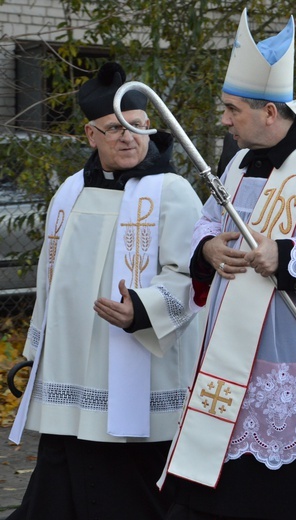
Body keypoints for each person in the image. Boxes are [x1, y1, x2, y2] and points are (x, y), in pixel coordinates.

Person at [161, 10, 296, 520]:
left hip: (295, 362)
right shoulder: (238, 162)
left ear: (268, 112)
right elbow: (206, 221)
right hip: (228, 362)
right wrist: (209, 248)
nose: (224, 119)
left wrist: (284, 255)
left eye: (232, 109)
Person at [7, 62, 203, 520]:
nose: (128, 137)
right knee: (64, 470)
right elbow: (48, 279)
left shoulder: (172, 191)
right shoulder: (70, 192)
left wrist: (143, 310)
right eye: (115, 128)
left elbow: (191, 273)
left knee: (128, 479)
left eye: (137, 126)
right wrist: (37, 350)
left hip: (140, 362)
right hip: (73, 362)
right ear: (90, 134)